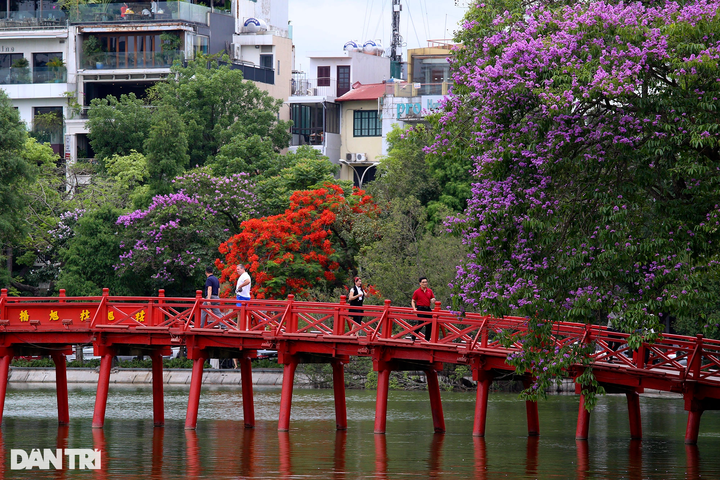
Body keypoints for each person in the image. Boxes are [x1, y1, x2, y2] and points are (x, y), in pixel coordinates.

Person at [411, 277, 435, 341]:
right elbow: (413, 301)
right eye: (423, 282)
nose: (425, 283)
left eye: (426, 282)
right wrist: (414, 309)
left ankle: (427, 339)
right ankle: (413, 336)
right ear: (420, 283)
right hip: (420, 308)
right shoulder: (417, 292)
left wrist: (433, 300)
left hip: (428, 308)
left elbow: (432, 298)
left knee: (430, 324)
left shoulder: (429, 291)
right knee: (421, 323)